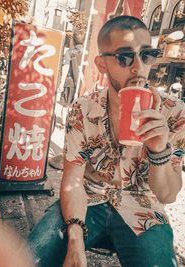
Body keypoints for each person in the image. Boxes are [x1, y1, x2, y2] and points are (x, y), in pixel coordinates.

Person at [27, 16, 185, 267]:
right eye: (125, 57)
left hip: (143, 207)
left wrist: (158, 149)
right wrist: (75, 240)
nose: (138, 67)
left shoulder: (174, 112)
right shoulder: (83, 109)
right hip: (88, 199)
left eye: (147, 55)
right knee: (29, 259)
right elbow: (73, 181)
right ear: (102, 64)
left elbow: (167, 195)